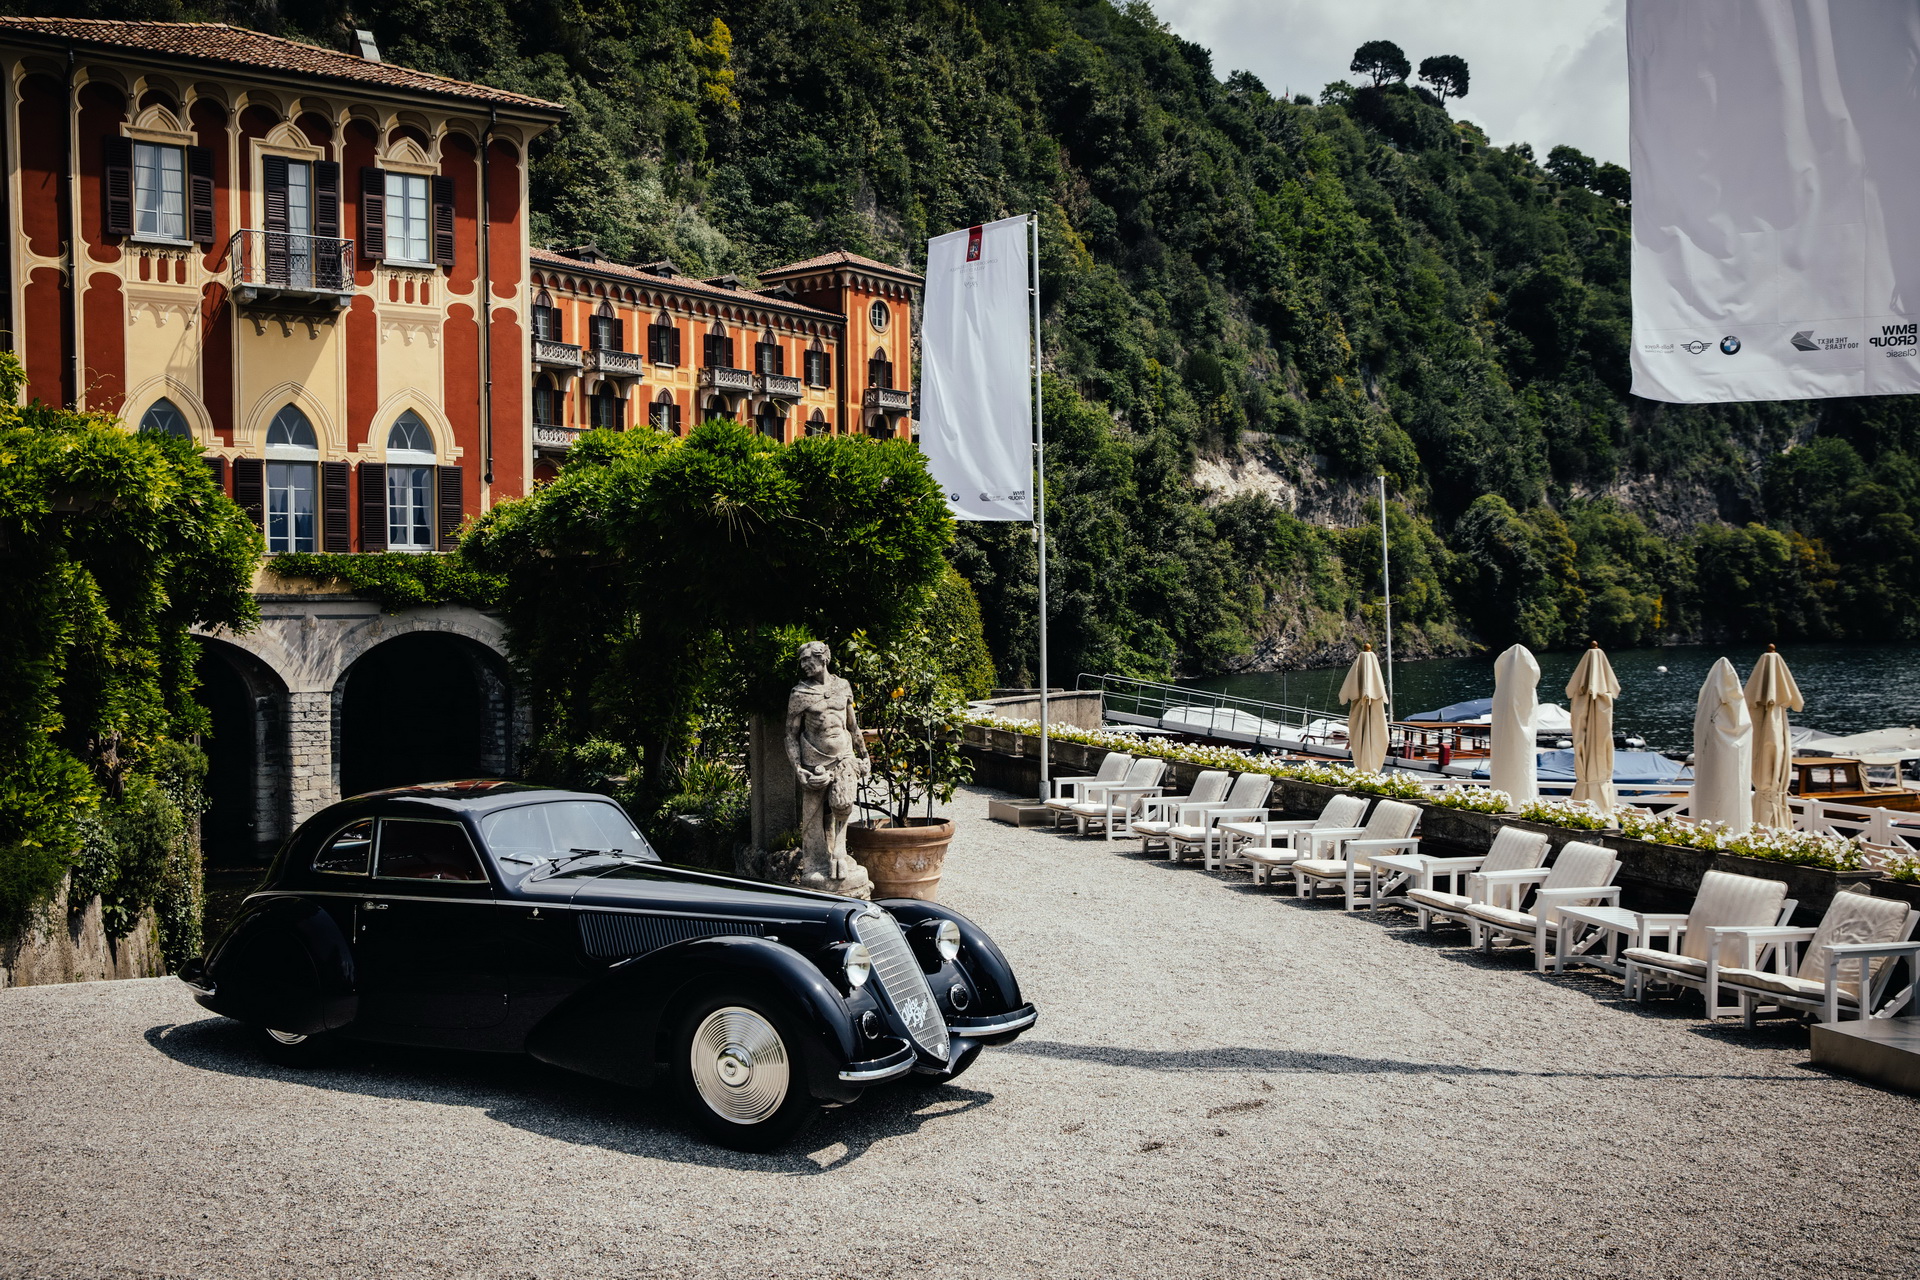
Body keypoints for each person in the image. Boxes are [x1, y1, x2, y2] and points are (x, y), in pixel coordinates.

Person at [783, 641, 872, 889]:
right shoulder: (799, 693)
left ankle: (839, 852)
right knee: (813, 816)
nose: (803, 665)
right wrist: (798, 769)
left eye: (806, 659)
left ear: (823, 659)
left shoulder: (842, 686)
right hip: (814, 761)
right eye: (801, 660)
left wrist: (864, 755)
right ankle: (816, 862)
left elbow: (852, 726)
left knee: (843, 804)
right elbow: (790, 734)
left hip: (843, 755)